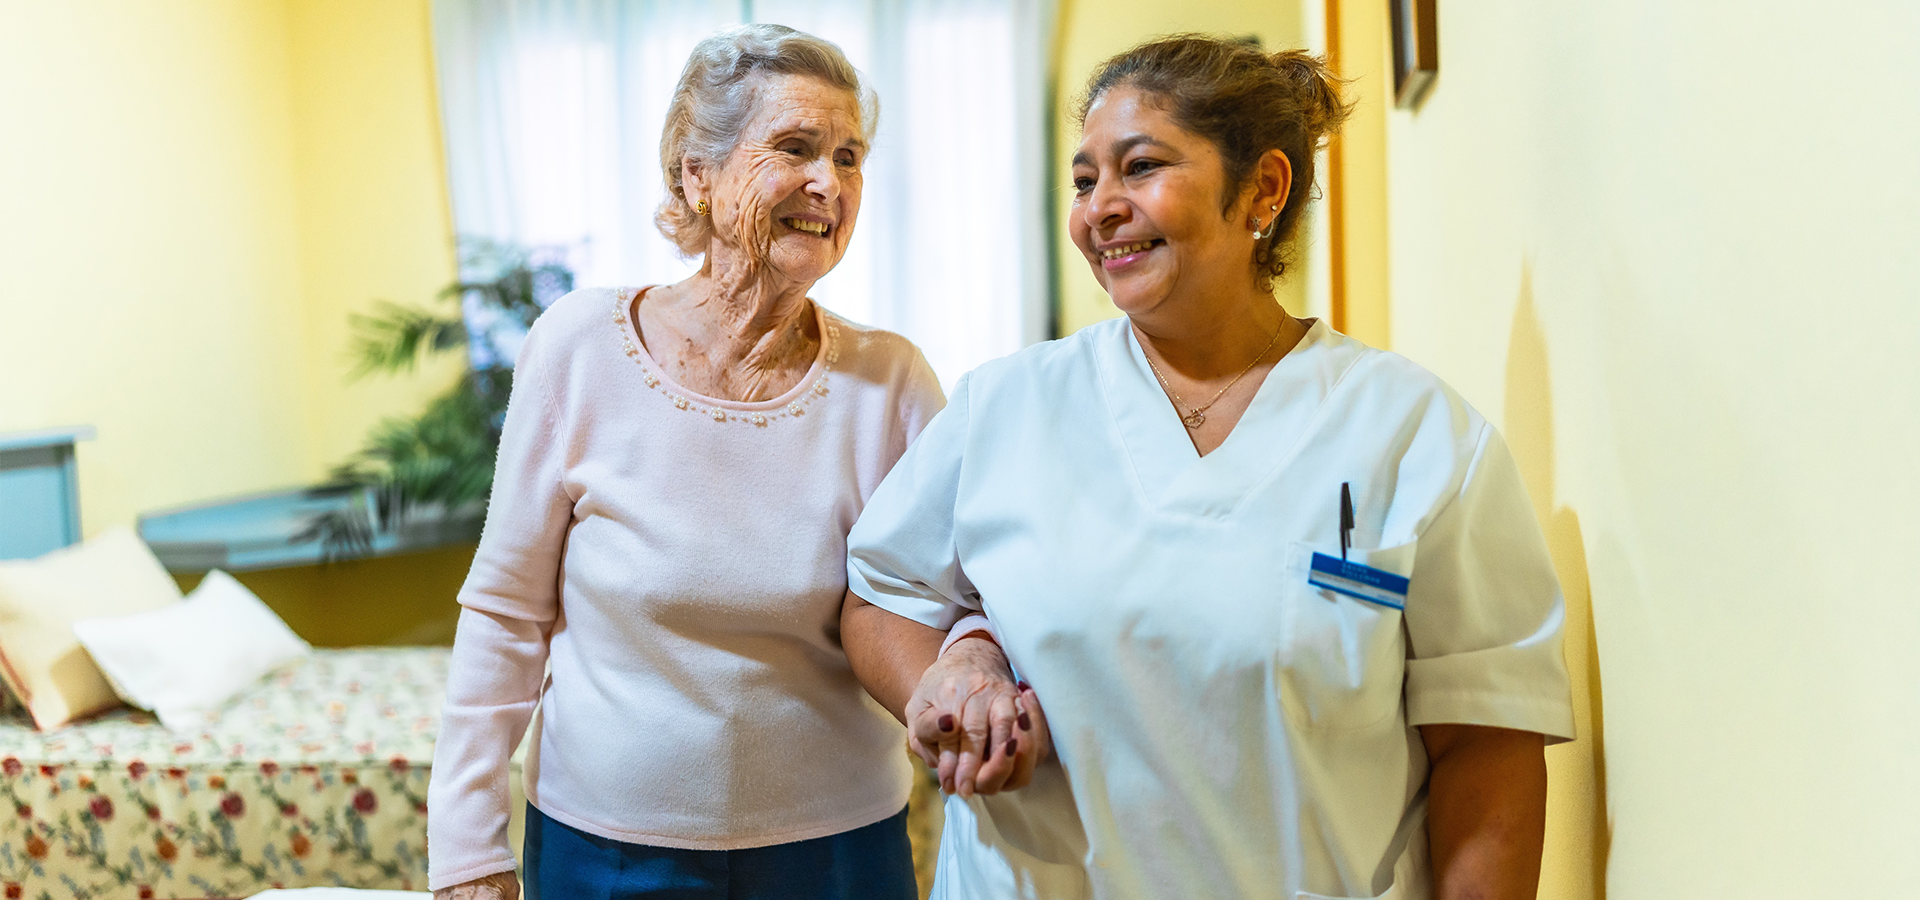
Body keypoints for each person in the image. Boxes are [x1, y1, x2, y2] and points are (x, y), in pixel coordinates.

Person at [840, 35, 1575, 900]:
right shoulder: (1007, 406)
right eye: (1084, 181)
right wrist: (954, 674)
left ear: (1262, 189)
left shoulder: (1413, 434)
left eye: (1139, 167)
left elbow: (1486, 747)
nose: (1099, 209)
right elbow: (880, 596)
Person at [427, 24, 943, 900]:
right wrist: (467, 849)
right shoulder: (579, 349)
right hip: (608, 849)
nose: (831, 183)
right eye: (795, 148)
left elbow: (950, 598)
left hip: (840, 852)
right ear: (694, 175)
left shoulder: (889, 381)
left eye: (850, 156)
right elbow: (507, 614)